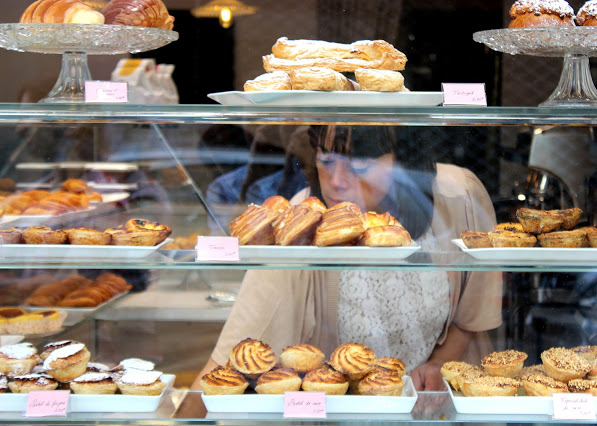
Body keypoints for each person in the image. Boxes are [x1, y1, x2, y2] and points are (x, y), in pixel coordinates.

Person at [192, 124, 502, 391]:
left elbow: (472, 314)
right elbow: (236, 350)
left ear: (401, 161)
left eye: (360, 166)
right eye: (326, 161)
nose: (337, 181)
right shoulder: (302, 225)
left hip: (439, 406)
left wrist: (437, 365)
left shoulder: (458, 195)